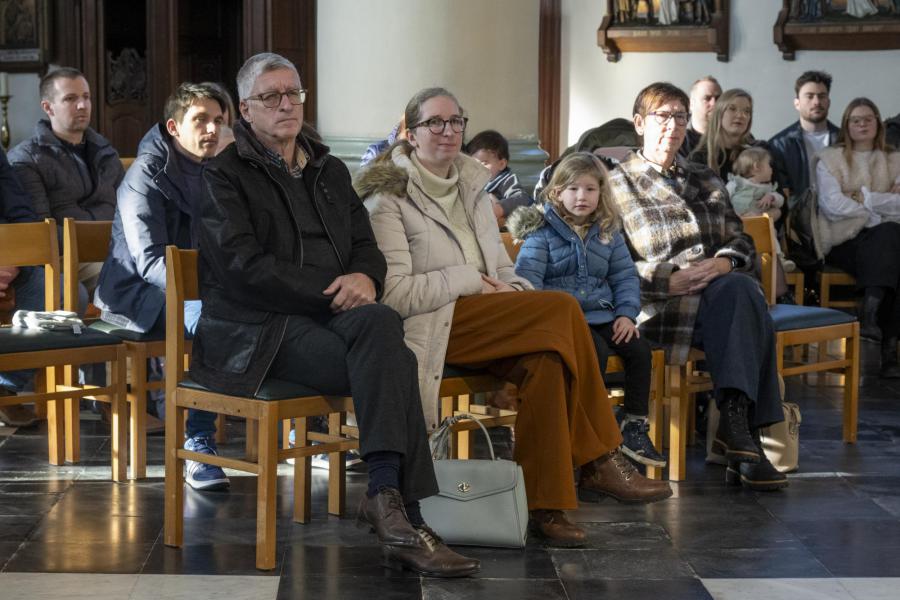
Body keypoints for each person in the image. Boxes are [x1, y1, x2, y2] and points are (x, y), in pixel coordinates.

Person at [194, 53, 479, 577]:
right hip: (260, 330)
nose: (286, 104)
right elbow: (242, 269)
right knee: (390, 351)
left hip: (333, 320)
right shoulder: (222, 175)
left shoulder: (328, 168)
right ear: (245, 110)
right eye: (271, 97)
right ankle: (402, 512)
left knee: (383, 328)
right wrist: (334, 290)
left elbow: (366, 247)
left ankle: (386, 497)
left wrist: (366, 278)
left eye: (293, 93)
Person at [357, 86, 672, 548]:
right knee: (564, 309)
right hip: (434, 325)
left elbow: (506, 272)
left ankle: (546, 507)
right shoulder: (387, 201)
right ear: (410, 132)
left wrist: (513, 290)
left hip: (493, 316)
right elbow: (397, 295)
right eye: (434, 123)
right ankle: (600, 457)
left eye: (456, 121)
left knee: (547, 361)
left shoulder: (474, 189)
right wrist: (469, 278)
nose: (448, 131)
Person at [607, 81, 788, 491]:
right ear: (639, 123)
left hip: (717, 298)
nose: (672, 125)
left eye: (680, 116)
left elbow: (740, 240)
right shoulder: (615, 185)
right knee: (749, 307)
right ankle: (744, 439)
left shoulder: (704, 176)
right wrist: (666, 279)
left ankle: (738, 428)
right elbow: (607, 266)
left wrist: (723, 263)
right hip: (657, 308)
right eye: (662, 116)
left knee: (740, 290)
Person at [93, 82, 229, 488]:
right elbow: (150, 261)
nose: (212, 130)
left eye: (219, 121)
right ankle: (198, 444)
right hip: (138, 296)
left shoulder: (219, 171)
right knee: (214, 323)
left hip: (198, 291)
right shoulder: (144, 174)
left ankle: (290, 422)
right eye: (200, 120)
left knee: (266, 308)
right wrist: (208, 292)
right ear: (173, 126)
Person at [508, 152, 665, 468]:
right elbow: (528, 284)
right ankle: (588, 433)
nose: (582, 197)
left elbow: (623, 277)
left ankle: (633, 423)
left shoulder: (608, 231)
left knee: (638, 349)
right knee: (594, 353)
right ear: (557, 192)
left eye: (590, 189)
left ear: (601, 193)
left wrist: (625, 313)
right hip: (563, 321)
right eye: (573, 189)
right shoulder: (542, 233)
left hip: (603, 315)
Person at [8, 67, 124, 294]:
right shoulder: (26, 159)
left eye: (86, 97)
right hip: (65, 257)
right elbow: (42, 231)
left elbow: (130, 211)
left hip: (116, 250)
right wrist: (103, 242)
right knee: (121, 275)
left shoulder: (107, 152)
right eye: (70, 99)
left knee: (168, 269)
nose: (82, 105)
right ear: (48, 107)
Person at [814, 97, 900, 377]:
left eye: (868, 119)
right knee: (888, 237)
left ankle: (872, 310)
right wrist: (877, 209)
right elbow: (833, 205)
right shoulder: (830, 159)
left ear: (878, 122)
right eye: (856, 120)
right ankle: (889, 353)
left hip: (887, 238)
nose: (862, 124)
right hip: (844, 239)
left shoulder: (894, 158)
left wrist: (865, 198)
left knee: (889, 241)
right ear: (846, 126)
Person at [0, 146, 41, 427]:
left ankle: (5, 386)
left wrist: (15, 262)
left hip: (5, 257)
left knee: (65, 292)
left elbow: (22, 213)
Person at [769, 71, 839, 205]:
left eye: (822, 96)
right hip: (799, 220)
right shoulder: (779, 145)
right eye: (810, 96)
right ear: (797, 103)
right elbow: (779, 193)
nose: (816, 102)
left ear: (828, 102)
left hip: (842, 216)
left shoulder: (844, 140)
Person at [465, 129, 533, 225]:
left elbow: (522, 198)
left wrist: (499, 208)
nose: (478, 169)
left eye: (484, 163)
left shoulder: (506, 180)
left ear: (501, 164)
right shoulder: (471, 182)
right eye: (474, 165)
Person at [689, 88, 758, 180]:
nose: (741, 115)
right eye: (732, 109)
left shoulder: (758, 154)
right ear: (719, 113)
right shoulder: (699, 158)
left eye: (746, 111)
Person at [679, 76, 721, 158]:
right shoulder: (679, 143)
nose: (714, 104)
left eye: (718, 98)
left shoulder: (735, 139)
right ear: (691, 104)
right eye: (707, 98)